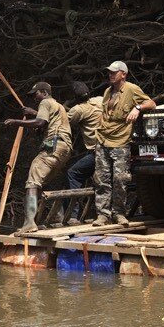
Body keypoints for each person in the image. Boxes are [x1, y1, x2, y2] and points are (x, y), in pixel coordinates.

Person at [3, 81, 72, 233]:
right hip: (65, 149)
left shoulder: (45, 102)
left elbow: (40, 122)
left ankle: (29, 223)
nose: (34, 98)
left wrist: (17, 122)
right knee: (44, 182)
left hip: (53, 146)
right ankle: (58, 218)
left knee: (32, 183)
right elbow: (46, 122)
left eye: (36, 94)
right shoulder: (58, 106)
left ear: (44, 92)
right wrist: (33, 113)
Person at [93, 61, 155, 226]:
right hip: (103, 139)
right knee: (101, 179)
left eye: (114, 72)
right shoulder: (107, 91)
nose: (111, 75)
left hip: (120, 140)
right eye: (109, 72)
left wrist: (138, 108)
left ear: (123, 74)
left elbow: (151, 103)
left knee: (120, 179)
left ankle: (119, 212)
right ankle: (103, 215)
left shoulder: (131, 89)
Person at [63, 81, 104, 224]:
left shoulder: (78, 110)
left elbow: (62, 121)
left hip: (97, 152)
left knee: (73, 173)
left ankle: (72, 215)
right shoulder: (100, 100)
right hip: (110, 148)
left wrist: (63, 108)